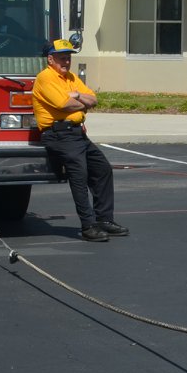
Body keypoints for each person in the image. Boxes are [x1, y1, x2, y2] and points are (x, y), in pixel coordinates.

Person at [32, 39, 125, 243]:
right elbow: (64, 104)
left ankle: (104, 220)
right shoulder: (45, 78)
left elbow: (94, 99)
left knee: (102, 169)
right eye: (62, 58)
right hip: (58, 135)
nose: (66, 61)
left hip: (77, 134)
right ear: (50, 59)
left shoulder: (71, 78)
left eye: (68, 58)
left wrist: (77, 96)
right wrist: (82, 102)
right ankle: (88, 226)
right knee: (79, 176)